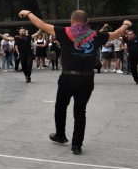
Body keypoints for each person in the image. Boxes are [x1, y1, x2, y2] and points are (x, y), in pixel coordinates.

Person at [19, 9, 131, 155]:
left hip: (68, 77)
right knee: (80, 111)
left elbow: (41, 24)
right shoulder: (96, 35)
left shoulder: (63, 31)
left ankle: (60, 135)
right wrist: (126, 24)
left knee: (60, 107)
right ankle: (77, 145)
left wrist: (28, 13)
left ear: (71, 21)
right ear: (88, 22)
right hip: (87, 78)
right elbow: (116, 34)